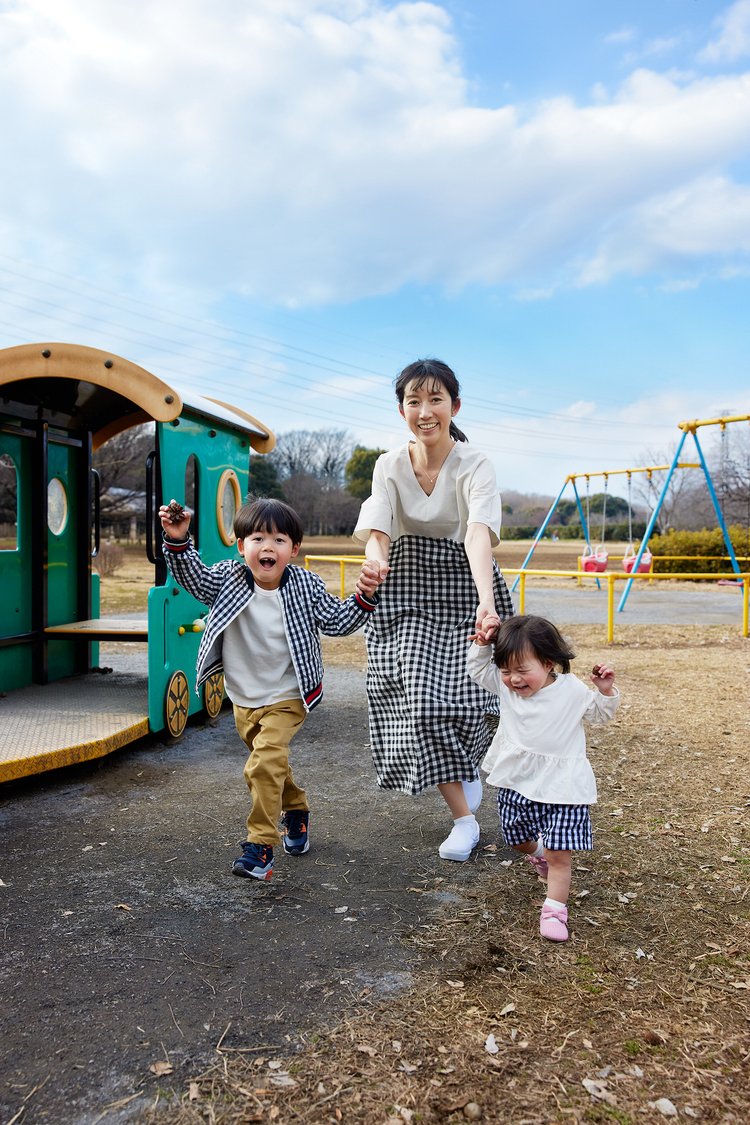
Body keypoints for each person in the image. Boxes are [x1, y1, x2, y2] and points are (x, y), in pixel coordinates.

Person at [159, 497, 382, 882]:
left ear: (293, 550)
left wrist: (364, 595)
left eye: (279, 540)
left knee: (263, 763)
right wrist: (178, 540)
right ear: (241, 545)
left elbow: (337, 622)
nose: (268, 547)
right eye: (258, 538)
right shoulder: (228, 579)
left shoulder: (304, 585)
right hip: (243, 698)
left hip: (289, 695)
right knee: (270, 765)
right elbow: (192, 577)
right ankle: (296, 807)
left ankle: (260, 846)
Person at [354, 358, 514, 863]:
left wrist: (487, 604)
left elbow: (477, 534)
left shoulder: (476, 463)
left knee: (479, 699)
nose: (425, 411)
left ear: (455, 406)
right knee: (421, 702)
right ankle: (463, 820)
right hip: (406, 587)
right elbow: (380, 530)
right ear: (401, 409)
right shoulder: (387, 464)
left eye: (436, 400)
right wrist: (375, 565)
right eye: (414, 401)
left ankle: (468, 767)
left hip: (466, 582)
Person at [467, 614, 620, 942]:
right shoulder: (506, 688)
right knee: (518, 838)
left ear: (549, 663)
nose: (514, 680)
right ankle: (538, 854)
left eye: (523, 671)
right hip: (517, 780)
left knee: (560, 854)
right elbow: (479, 671)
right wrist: (482, 647)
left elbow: (599, 715)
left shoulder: (572, 690)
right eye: (506, 671)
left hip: (564, 786)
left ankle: (554, 911)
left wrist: (605, 691)